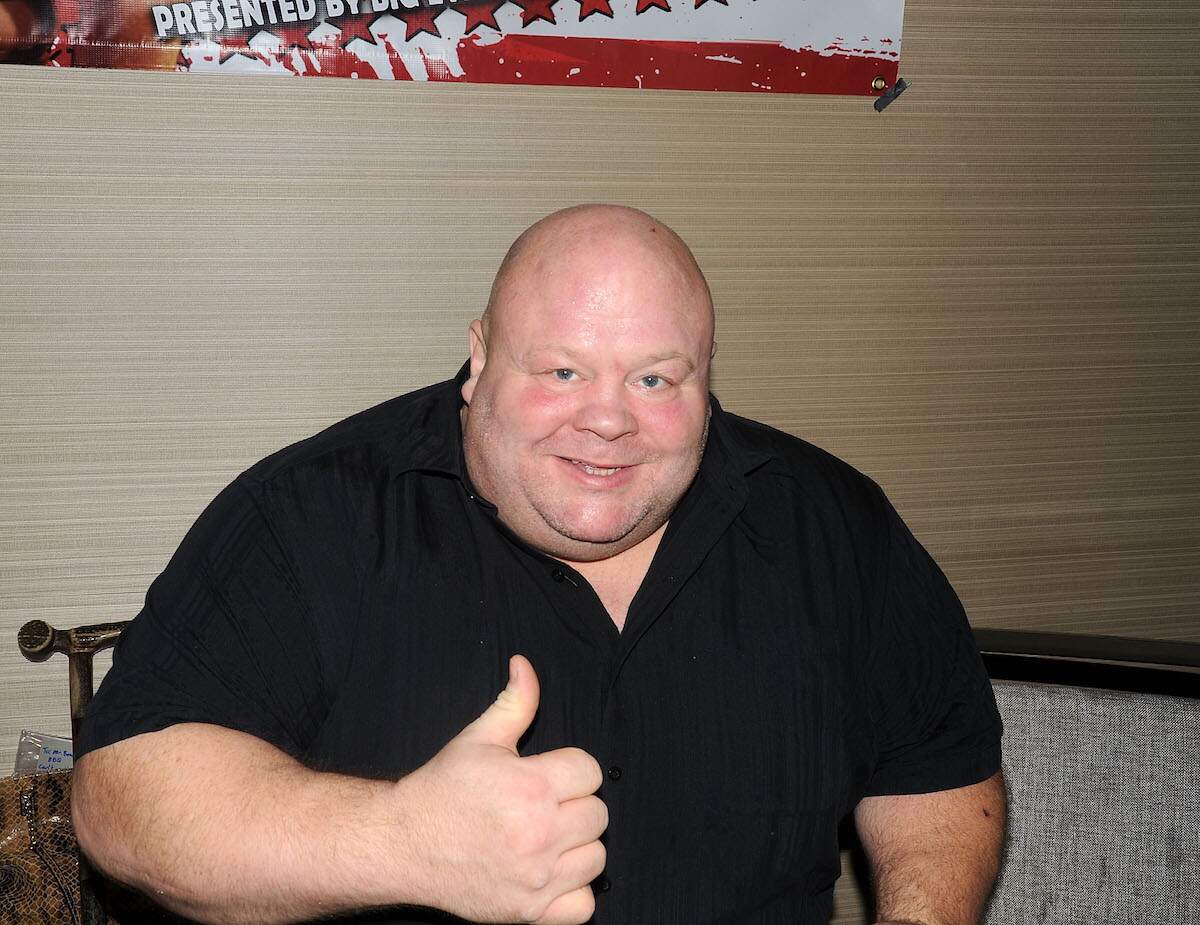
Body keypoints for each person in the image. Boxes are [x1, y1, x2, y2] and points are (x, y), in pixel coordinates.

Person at [72, 204, 1006, 925]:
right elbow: (124, 797)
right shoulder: (315, 516)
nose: (608, 418)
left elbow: (937, 765)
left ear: (706, 378)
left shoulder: (831, 525)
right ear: (478, 359)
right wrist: (406, 840)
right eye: (561, 371)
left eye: (655, 378)